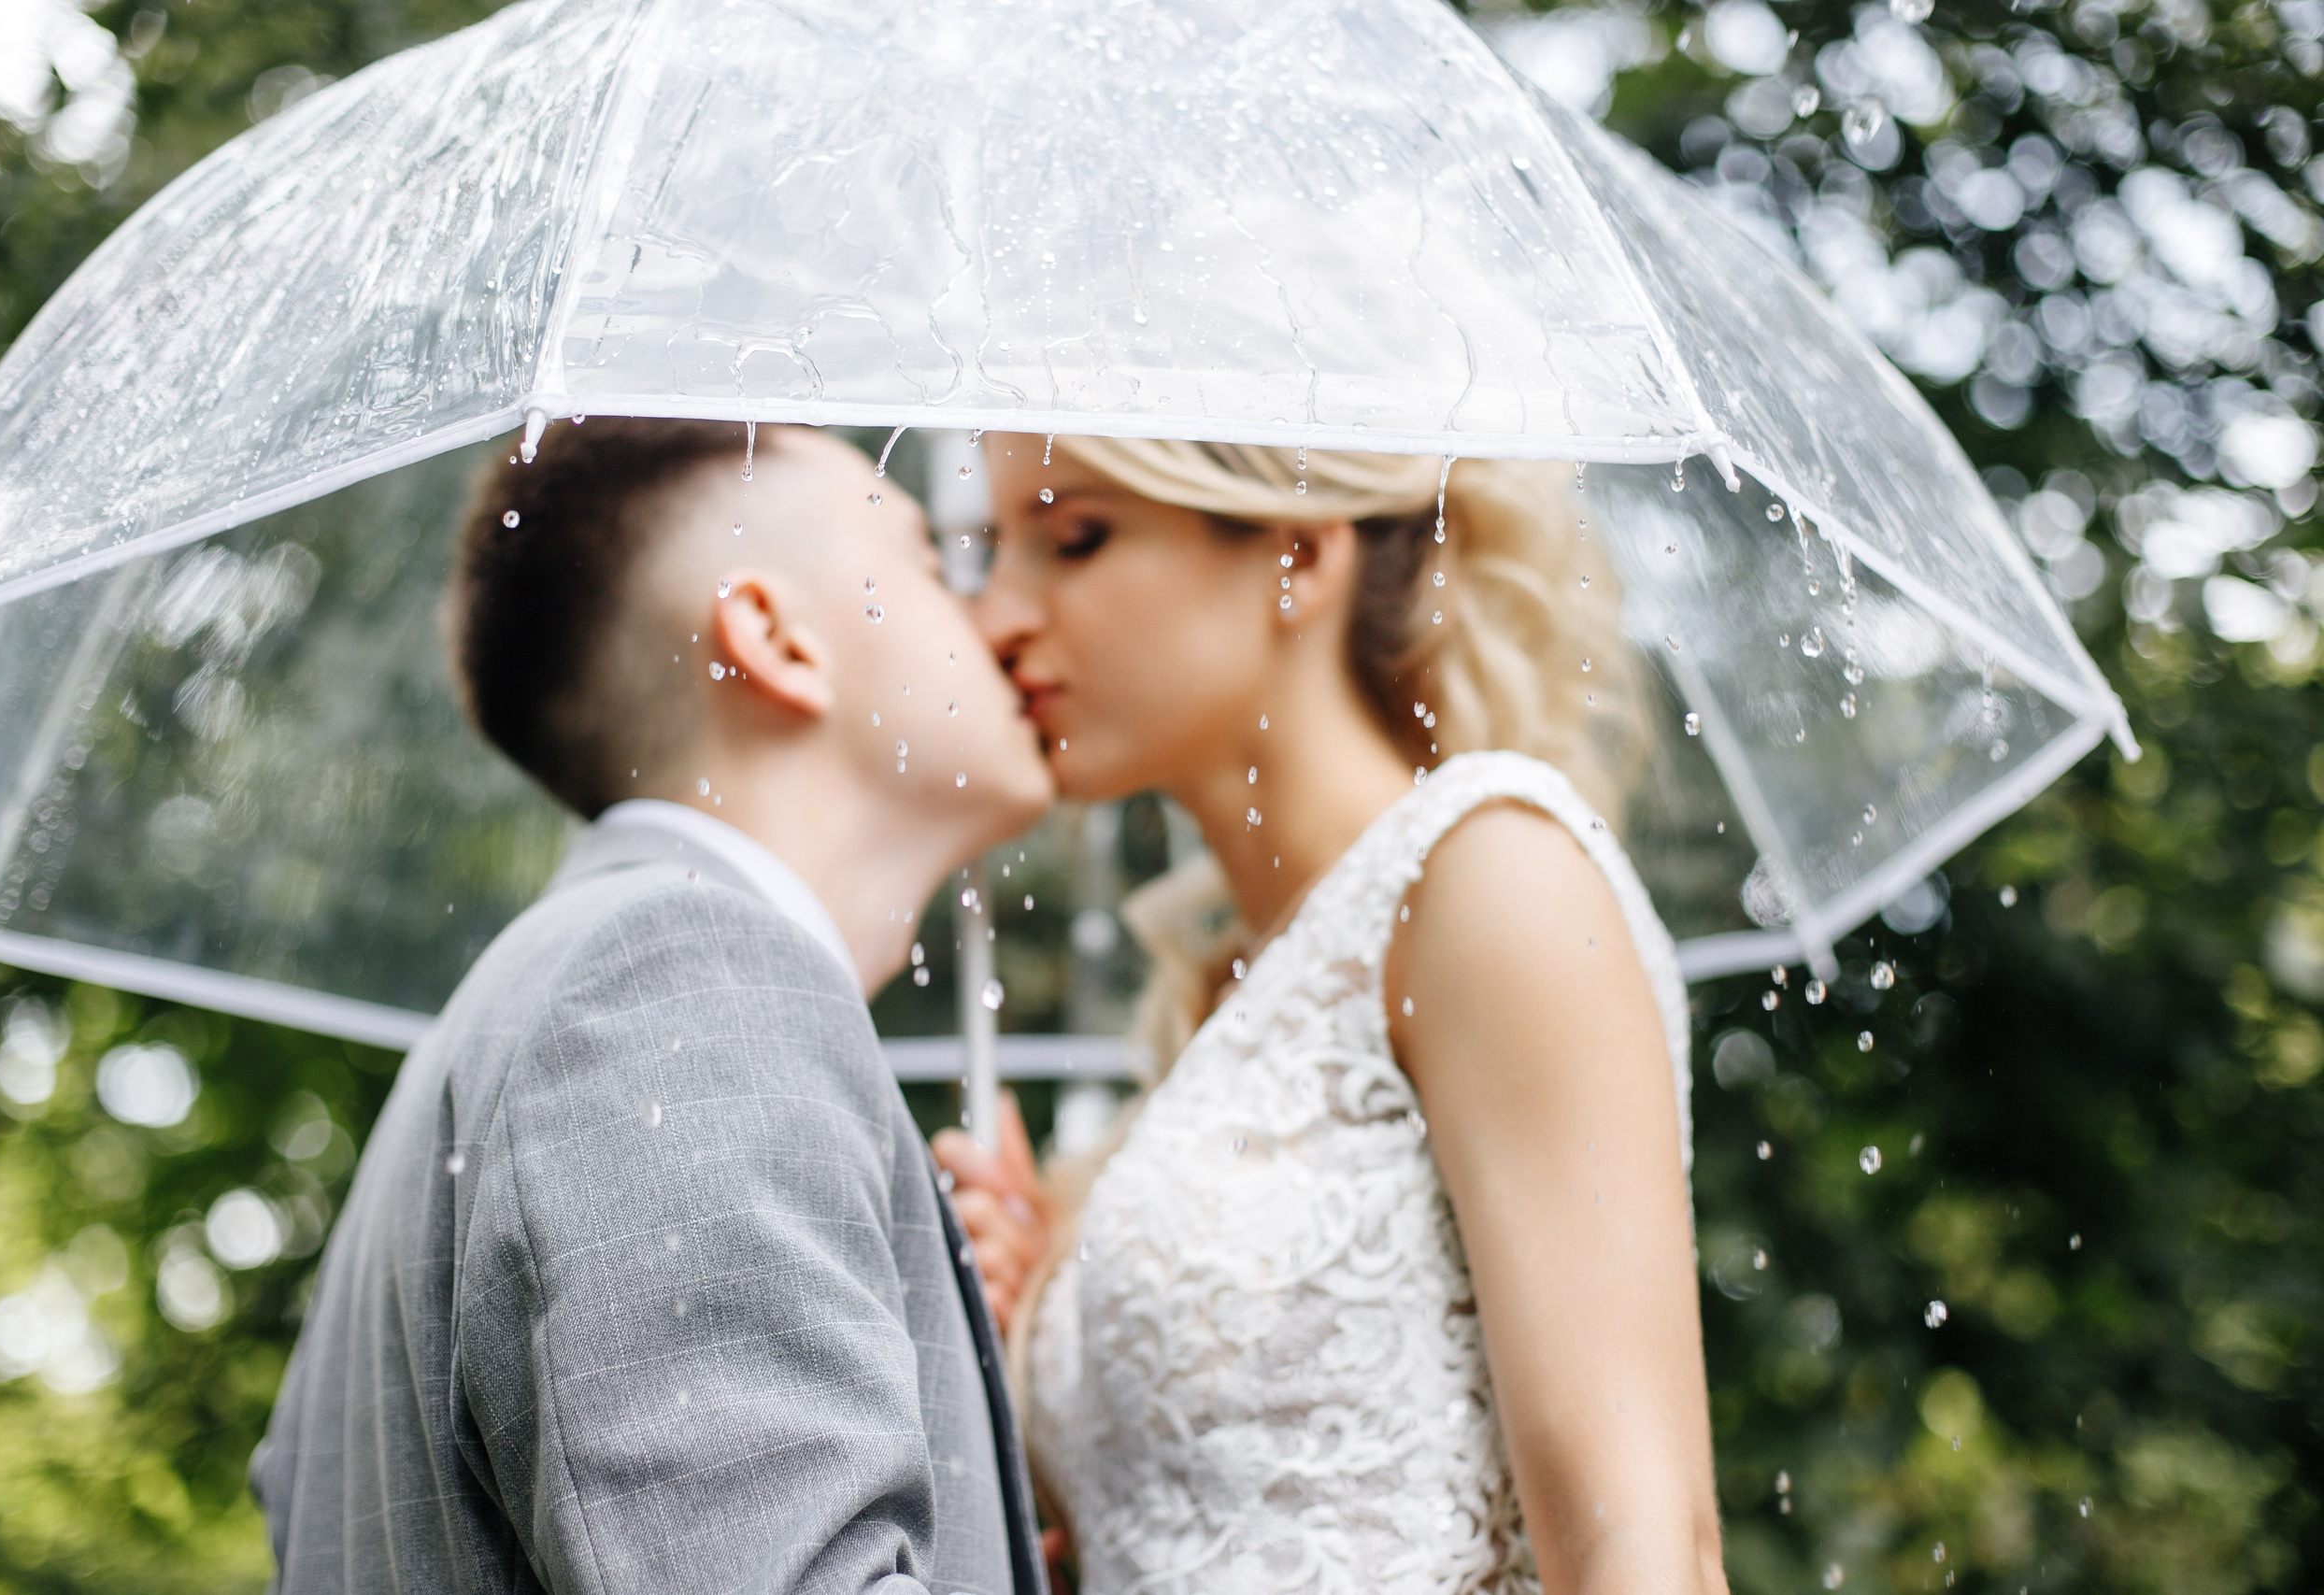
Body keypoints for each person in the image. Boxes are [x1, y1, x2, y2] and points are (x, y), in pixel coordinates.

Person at [250, 420, 1054, 1595]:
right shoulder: (680, 976)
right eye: (932, 565)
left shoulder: (589, 991)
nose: (999, 623)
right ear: (778, 640)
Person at [936, 439, 1730, 1595]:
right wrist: (1038, 1316)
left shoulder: (1488, 875)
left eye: (1075, 539)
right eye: (989, 553)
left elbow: (1643, 1554)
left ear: (1298, 554)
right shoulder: (1217, 998)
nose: (997, 618)